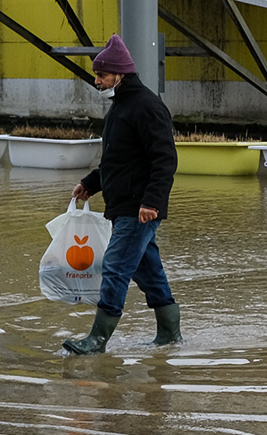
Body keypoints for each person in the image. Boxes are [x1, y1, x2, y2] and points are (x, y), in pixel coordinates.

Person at [62, 33, 181, 355]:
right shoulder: (121, 106)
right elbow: (119, 160)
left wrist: (152, 201)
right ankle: (170, 336)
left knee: (114, 267)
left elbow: (165, 159)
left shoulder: (146, 106)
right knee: (149, 272)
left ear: (120, 74)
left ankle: (97, 340)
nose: (97, 81)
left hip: (139, 208)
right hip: (125, 205)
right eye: (97, 75)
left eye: (101, 75)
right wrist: (92, 183)